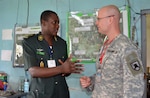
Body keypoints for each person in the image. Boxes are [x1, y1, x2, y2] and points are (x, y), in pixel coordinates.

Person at [80, 5, 145, 98]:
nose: (96, 22)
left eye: (99, 19)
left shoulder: (126, 47)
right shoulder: (106, 44)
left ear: (110, 19)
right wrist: (91, 81)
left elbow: (135, 83)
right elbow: (106, 75)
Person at [22, 10, 83, 98]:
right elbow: (33, 71)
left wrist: (68, 69)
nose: (57, 26)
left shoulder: (62, 43)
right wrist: (61, 69)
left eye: (58, 23)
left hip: (60, 93)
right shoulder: (30, 43)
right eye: (54, 23)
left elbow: (64, 70)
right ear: (43, 23)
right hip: (40, 94)